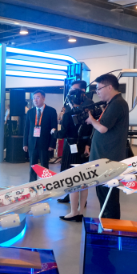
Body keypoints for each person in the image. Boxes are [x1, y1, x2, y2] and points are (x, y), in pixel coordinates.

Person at [86, 74, 129, 220]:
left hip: (108, 158)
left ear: (109, 87)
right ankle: (107, 222)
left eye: (99, 88)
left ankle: (111, 225)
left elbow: (102, 128)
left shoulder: (117, 104)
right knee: (104, 196)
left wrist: (91, 120)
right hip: (104, 157)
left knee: (108, 197)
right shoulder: (113, 103)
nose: (97, 92)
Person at [58, 81, 93, 221]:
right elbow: (91, 131)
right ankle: (80, 210)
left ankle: (74, 212)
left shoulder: (69, 113)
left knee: (72, 179)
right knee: (84, 181)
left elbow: (62, 133)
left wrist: (53, 131)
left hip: (72, 147)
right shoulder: (89, 112)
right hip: (84, 147)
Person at [23, 90, 58, 181]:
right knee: (32, 166)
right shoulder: (30, 112)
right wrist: (25, 143)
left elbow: (54, 128)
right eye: (34, 98)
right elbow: (26, 128)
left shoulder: (51, 111)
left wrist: (52, 144)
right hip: (32, 143)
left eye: (37, 97)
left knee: (44, 165)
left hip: (45, 143)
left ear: (43, 98)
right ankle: (32, 184)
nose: (35, 100)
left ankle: (46, 184)